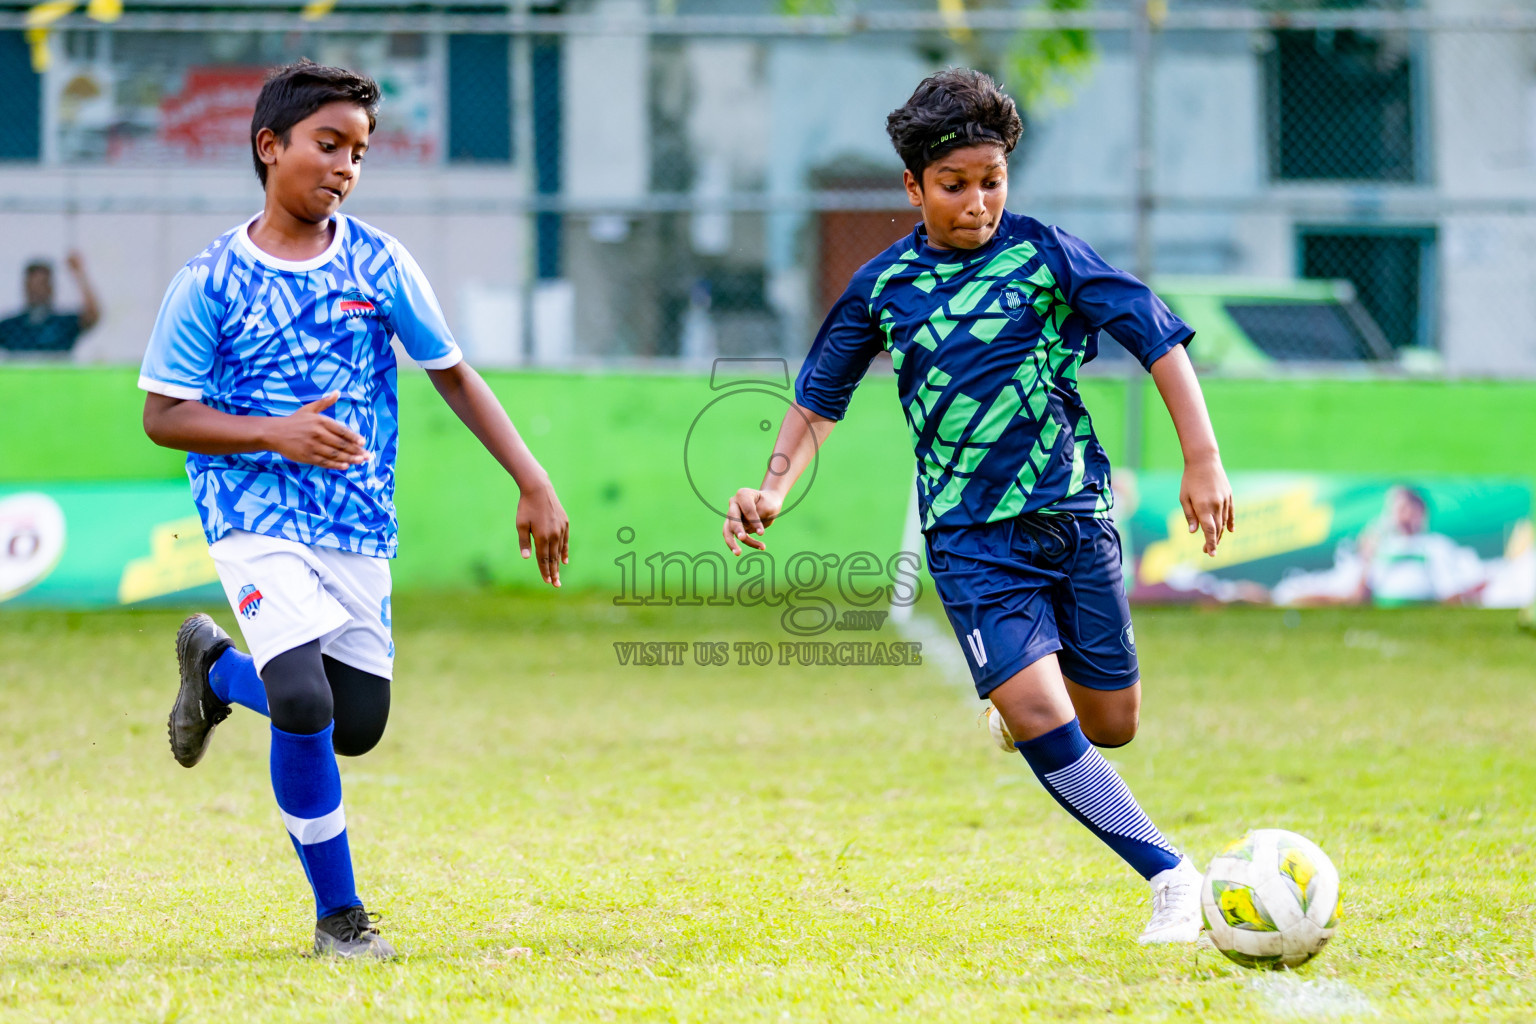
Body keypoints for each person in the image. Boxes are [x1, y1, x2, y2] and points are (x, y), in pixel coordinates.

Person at [722, 69, 1235, 943]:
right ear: (914, 187)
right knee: (1040, 712)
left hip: (1072, 518)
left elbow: (1155, 333)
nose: (976, 203)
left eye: (991, 181)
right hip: (967, 537)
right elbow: (817, 403)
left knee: (1112, 723)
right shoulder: (883, 288)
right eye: (953, 186)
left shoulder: (1046, 253)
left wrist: (1204, 459)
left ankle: (1019, 692)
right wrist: (771, 487)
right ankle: (1170, 876)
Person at [138, 60, 570, 959]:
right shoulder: (210, 278)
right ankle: (341, 920)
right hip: (251, 514)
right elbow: (163, 416)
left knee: (356, 723)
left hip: (355, 522)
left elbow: (451, 372)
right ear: (271, 148)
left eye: (359, 153)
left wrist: (532, 479)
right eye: (327, 144)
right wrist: (273, 435)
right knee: (301, 700)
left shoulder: (380, 261)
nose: (344, 166)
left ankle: (214, 668)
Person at [0, 252, 100, 352]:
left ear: (50, 288)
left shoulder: (63, 324)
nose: (36, 291)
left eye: (41, 284)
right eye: (32, 285)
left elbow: (92, 316)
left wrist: (79, 274)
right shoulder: (11, 327)